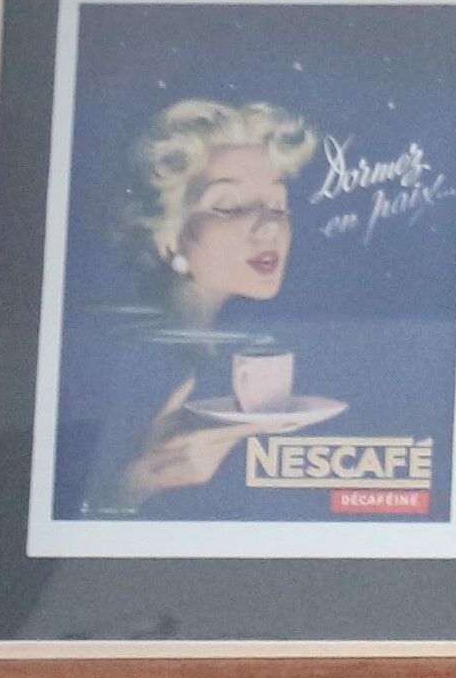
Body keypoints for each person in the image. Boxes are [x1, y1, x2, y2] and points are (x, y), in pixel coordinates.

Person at [62, 95, 316, 514]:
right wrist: (139, 482)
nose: (270, 226)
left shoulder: (227, 347)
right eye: (229, 206)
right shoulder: (133, 357)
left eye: (277, 204)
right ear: (169, 232)